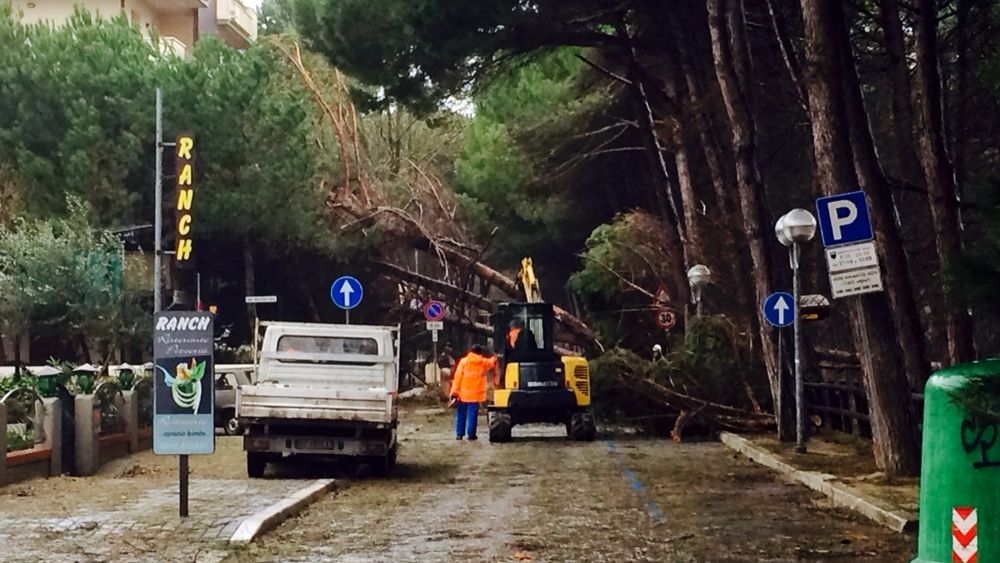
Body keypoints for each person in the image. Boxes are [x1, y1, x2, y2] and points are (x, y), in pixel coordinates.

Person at [448, 344, 498, 441]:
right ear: (480, 353)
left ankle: (459, 434)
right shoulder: (483, 362)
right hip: (475, 395)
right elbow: (492, 362)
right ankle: (471, 435)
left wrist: (454, 392)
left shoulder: (463, 362)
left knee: (461, 414)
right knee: (472, 415)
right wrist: (495, 356)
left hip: (462, 394)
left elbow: (457, 378)